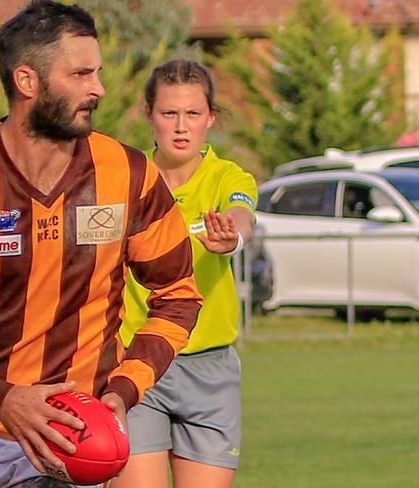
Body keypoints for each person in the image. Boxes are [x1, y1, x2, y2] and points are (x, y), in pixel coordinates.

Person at [0, 2, 202, 487]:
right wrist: (2, 398)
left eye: (98, 72)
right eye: (81, 73)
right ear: (27, 81)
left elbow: (178, 296)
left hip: (76, 443)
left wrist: (124, 390)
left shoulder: (130, 174)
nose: (99, 89)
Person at [110, 60, 258, 488]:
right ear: (149, 115)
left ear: (210, 117)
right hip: (135, 365)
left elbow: (242, 213)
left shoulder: (228, 176)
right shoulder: (125, 180)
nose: (181, 126)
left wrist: (234, 238)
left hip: (210, 370)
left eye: (193, 114)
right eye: (169, 113)